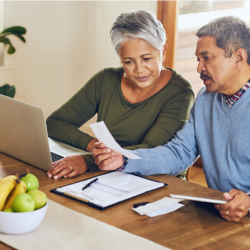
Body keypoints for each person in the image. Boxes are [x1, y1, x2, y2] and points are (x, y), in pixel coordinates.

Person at [93, 16, 250, 222]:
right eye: (197, 59)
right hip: (221, 214)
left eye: (207, 57)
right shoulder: (205, 99)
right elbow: (179, 153)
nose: (199, 68)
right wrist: (123, 160)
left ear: (239, 57)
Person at [46, 10, 194, 180]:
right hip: (109, 175)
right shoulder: (105, 80)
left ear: (163, 52)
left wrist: (88, 161)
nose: (139, 70)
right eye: (129, 61)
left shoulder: (180, 92)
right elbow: (54, 123)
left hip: (157, 181)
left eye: (147, 59)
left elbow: (152, 150)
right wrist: (94, 146)